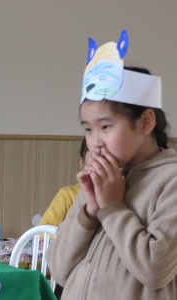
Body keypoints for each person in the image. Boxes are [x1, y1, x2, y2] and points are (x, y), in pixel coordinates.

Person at [47, 29, 177, 299]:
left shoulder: (171, 179)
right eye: (88, 129)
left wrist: (113, 207)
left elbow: (156, 271)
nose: (95, 141)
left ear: (145, 122)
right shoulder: (100, 177)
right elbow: (58, 269)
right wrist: (88, 211)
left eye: (105, 126)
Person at [39, 138, 89, 227]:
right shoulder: (67, 195)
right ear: (82, 162)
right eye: (93, 162)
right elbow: (44, 230)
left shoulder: (118, 197)